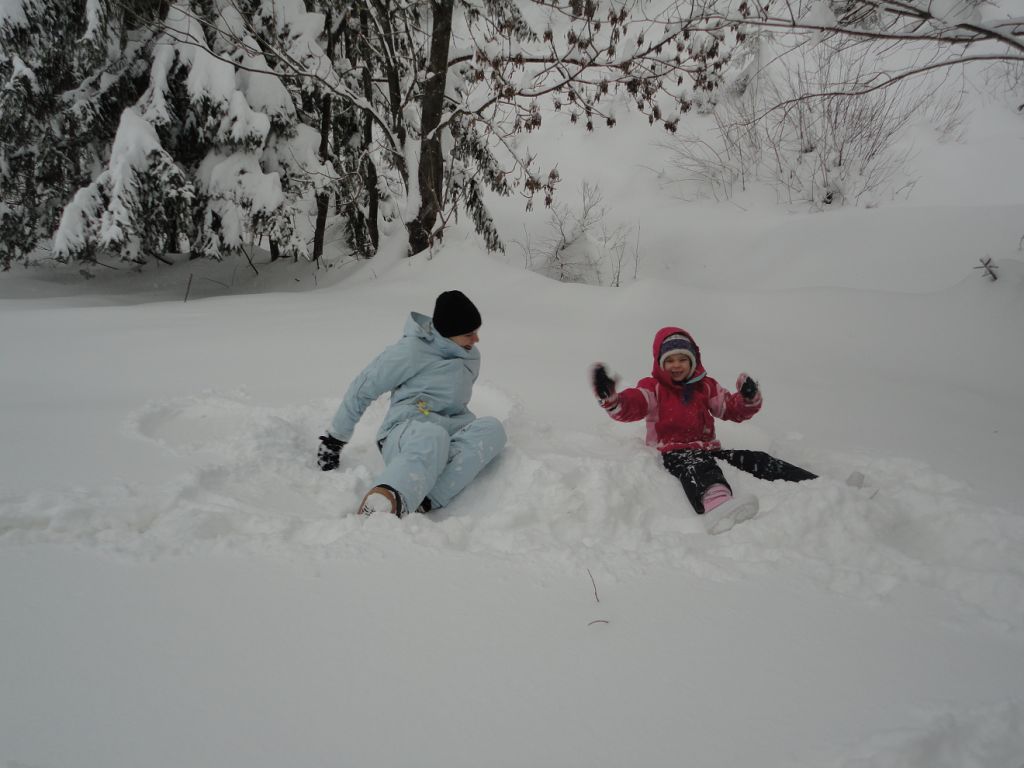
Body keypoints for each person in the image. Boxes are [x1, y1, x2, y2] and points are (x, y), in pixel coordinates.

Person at [591, 327, 816, 534]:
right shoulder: (653, 388)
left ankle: (814, 484)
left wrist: (747, 399)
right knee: (697, 466)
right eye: (669, 360)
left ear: (693, 361)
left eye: (682, 359)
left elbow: (730, 409)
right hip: (673, 452)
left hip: (708, 449)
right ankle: (717, 505)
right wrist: (612, 400)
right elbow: (634, 404)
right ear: (660, 363)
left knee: (755, 458)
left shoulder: (705, 386)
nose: (676, 365)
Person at [318, 290, 506, 518]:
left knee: (492, 428)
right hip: (408, 432)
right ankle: (385, 502)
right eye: (469, 334)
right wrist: (335, 439)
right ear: (448, 333)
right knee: (431, 436)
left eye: (476, 332)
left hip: (451, 431)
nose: (476, 340)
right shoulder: (410, 351)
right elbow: (362, 389)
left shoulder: (469, 354)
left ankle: (424, 498)